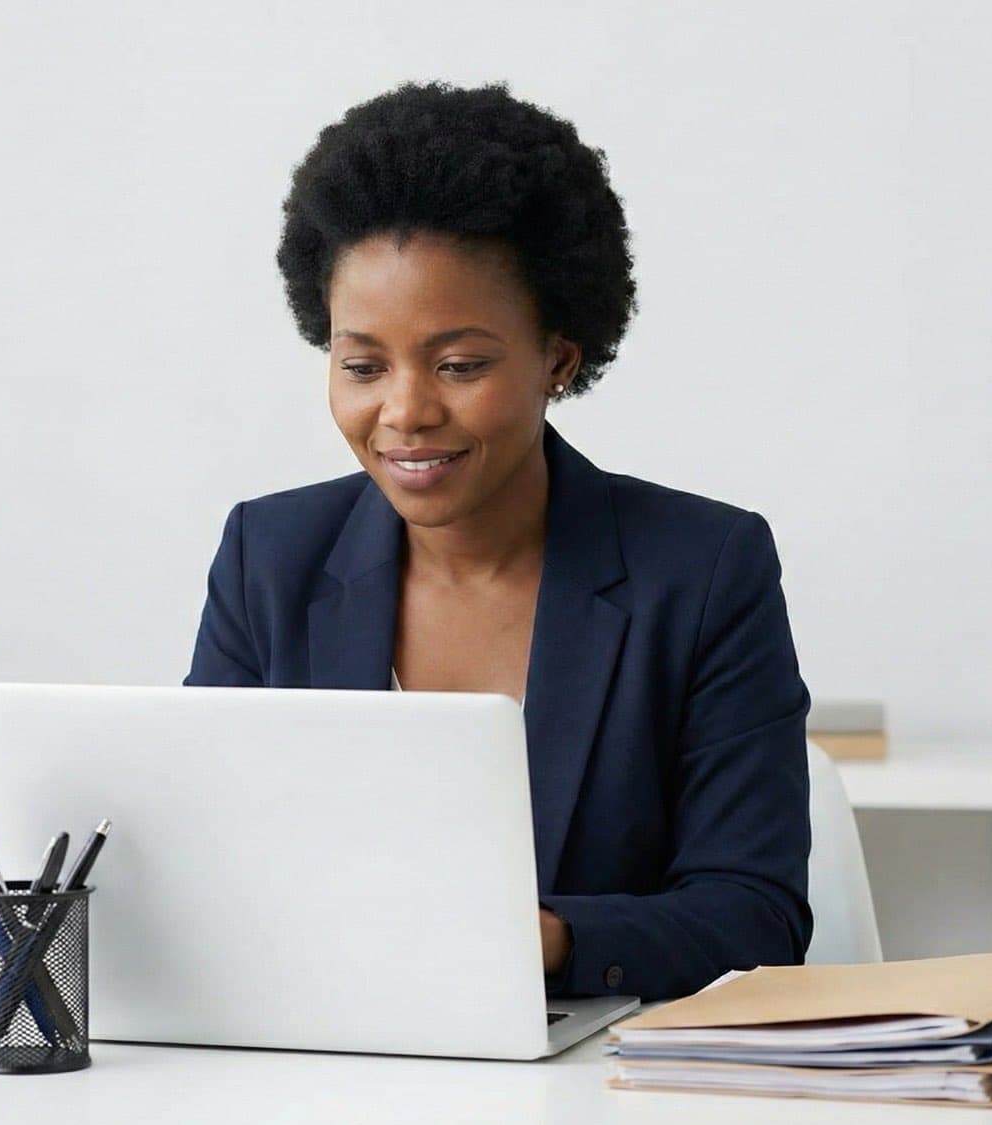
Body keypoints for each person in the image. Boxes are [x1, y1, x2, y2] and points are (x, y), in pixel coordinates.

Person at [184, 79, 813, 1000]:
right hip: (317, 1073)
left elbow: (756, 915)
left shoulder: (705, 569)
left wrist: (541, 940)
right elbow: (201, 853)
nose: (404, 412)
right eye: (362, 365)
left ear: (558, 359)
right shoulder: (267, 557)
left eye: (459, 365)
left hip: (597, 1094)